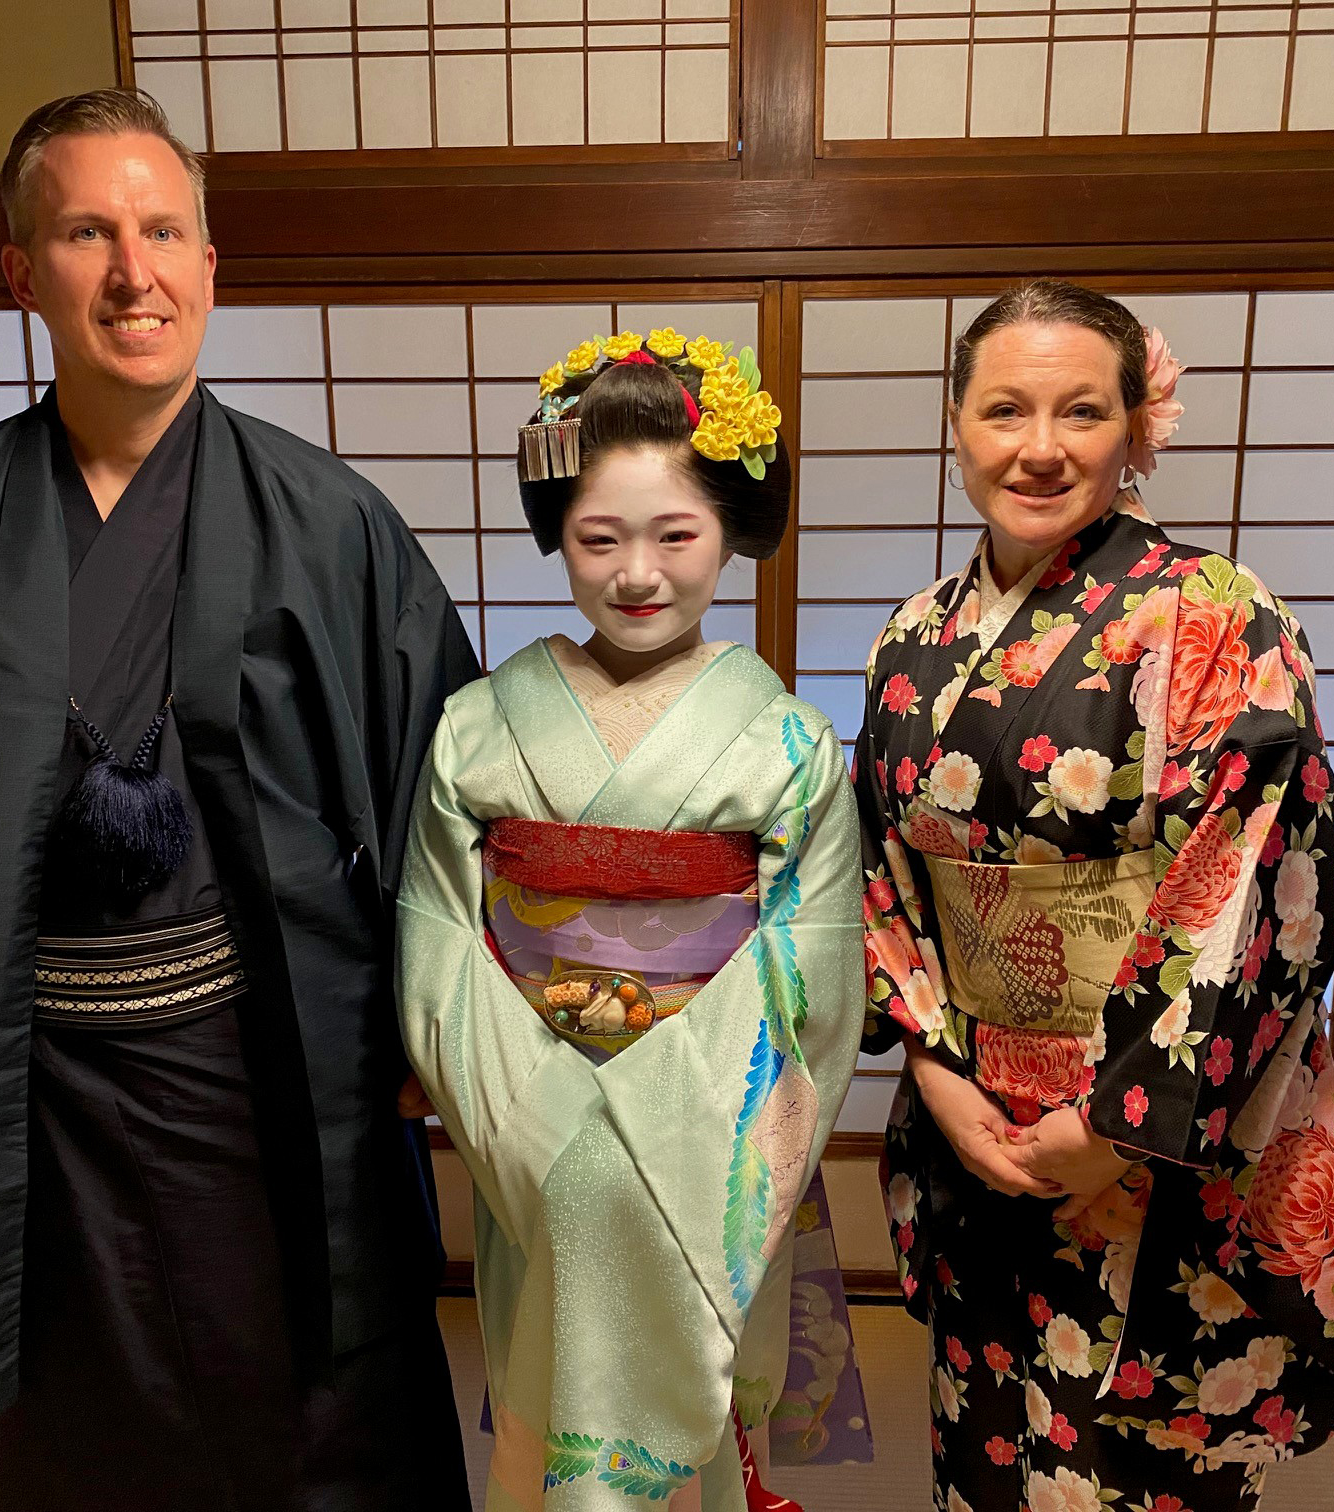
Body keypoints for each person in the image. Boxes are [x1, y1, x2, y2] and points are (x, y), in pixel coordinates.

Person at [0, 89, 476, 1510]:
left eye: (163, 229)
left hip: (285, 1079)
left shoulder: (332, 523)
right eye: (86, 231)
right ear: (22, 270)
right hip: (46, 1087)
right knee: (83, 1440)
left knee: (325, 1433)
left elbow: (452, 805)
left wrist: (438, 1037)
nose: (134, 270)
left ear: (209, 263)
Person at [856, 278, 1334, 1511]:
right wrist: (939, 1079)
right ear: (956, 422)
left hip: (1159, 1137)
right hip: (981, 1135)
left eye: (1079, 412)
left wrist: (1110, 1126)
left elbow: (1258, 885)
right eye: (1004, 409)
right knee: (986, 1446)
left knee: (1143, 1463)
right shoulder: (910, 639)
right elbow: (883, 881)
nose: (1038, 448)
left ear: (1132, 427)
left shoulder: (1219, 618)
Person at [397, 331, 870, 1509]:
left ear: (731, 532)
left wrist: (670, 1113)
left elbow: (810, 972)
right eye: (598, 538)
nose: (636, 573)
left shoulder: (786, 742)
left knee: (689, 1412)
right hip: (529, 1121)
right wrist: (527, 1117)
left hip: (714, 1128)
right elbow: (442, 937)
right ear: (559, 534)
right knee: (541, 1398)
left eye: (677, 535)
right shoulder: (478, 726)